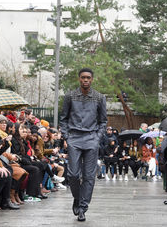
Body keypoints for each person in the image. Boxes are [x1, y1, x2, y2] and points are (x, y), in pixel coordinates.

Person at [60, 68, 107, 222]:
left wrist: (97, 137)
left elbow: (103, 121)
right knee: (73, 174)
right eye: (83, 77)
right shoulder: (70, 96)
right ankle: (77, 197)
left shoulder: (99, 97)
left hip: (91, 138)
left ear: (92, 79)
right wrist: (67, 136)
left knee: (88, 176)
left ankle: (83, 208)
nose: (85, 80)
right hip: (74, 138)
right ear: (79, 79)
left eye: (88, 78)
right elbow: (63, 118)